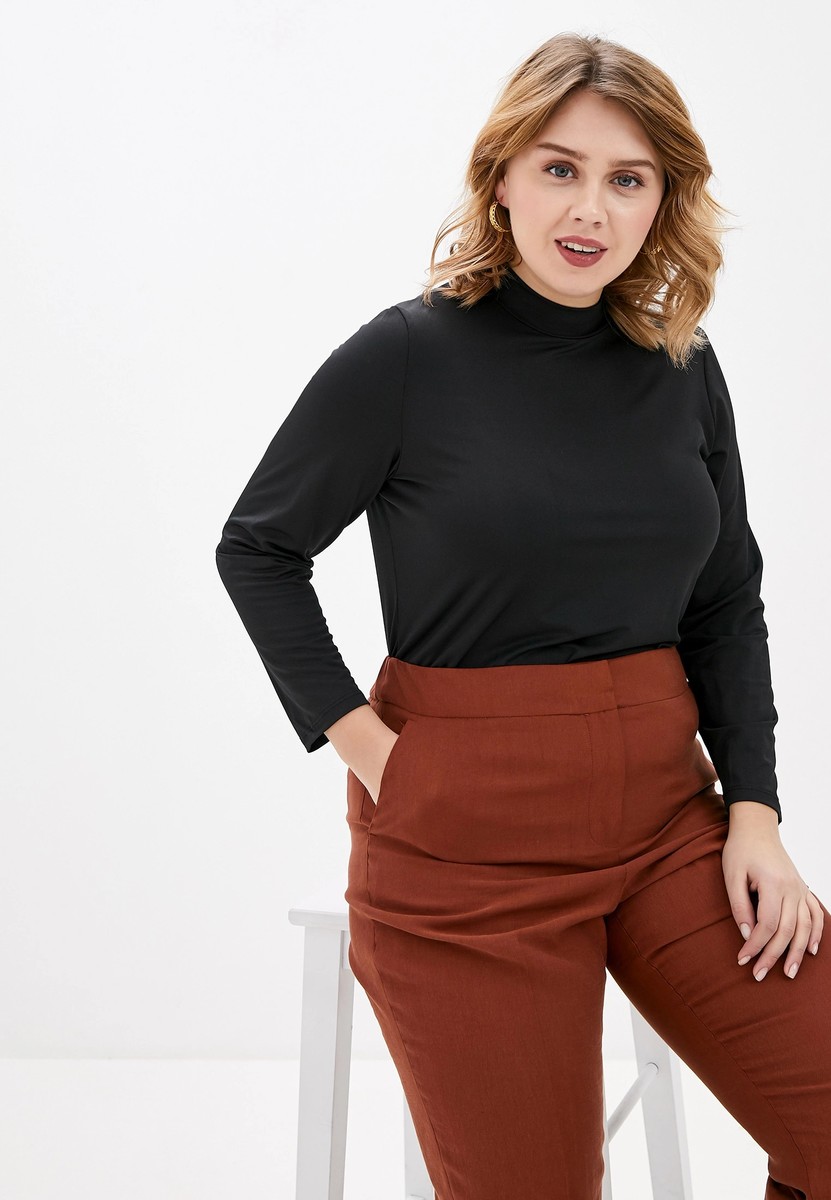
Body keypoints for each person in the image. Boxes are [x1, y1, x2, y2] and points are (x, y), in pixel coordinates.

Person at [215, 30, 830, 1199]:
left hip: (668, 822)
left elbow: (725, 600)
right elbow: (258, 547)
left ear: (662, 201)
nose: (590, 207)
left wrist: (754, 810)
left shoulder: (682, 367)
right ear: (501, 178)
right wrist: (374, 751)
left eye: (627, 178)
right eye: (559, 168)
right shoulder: (405, 358)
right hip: (464, 844)